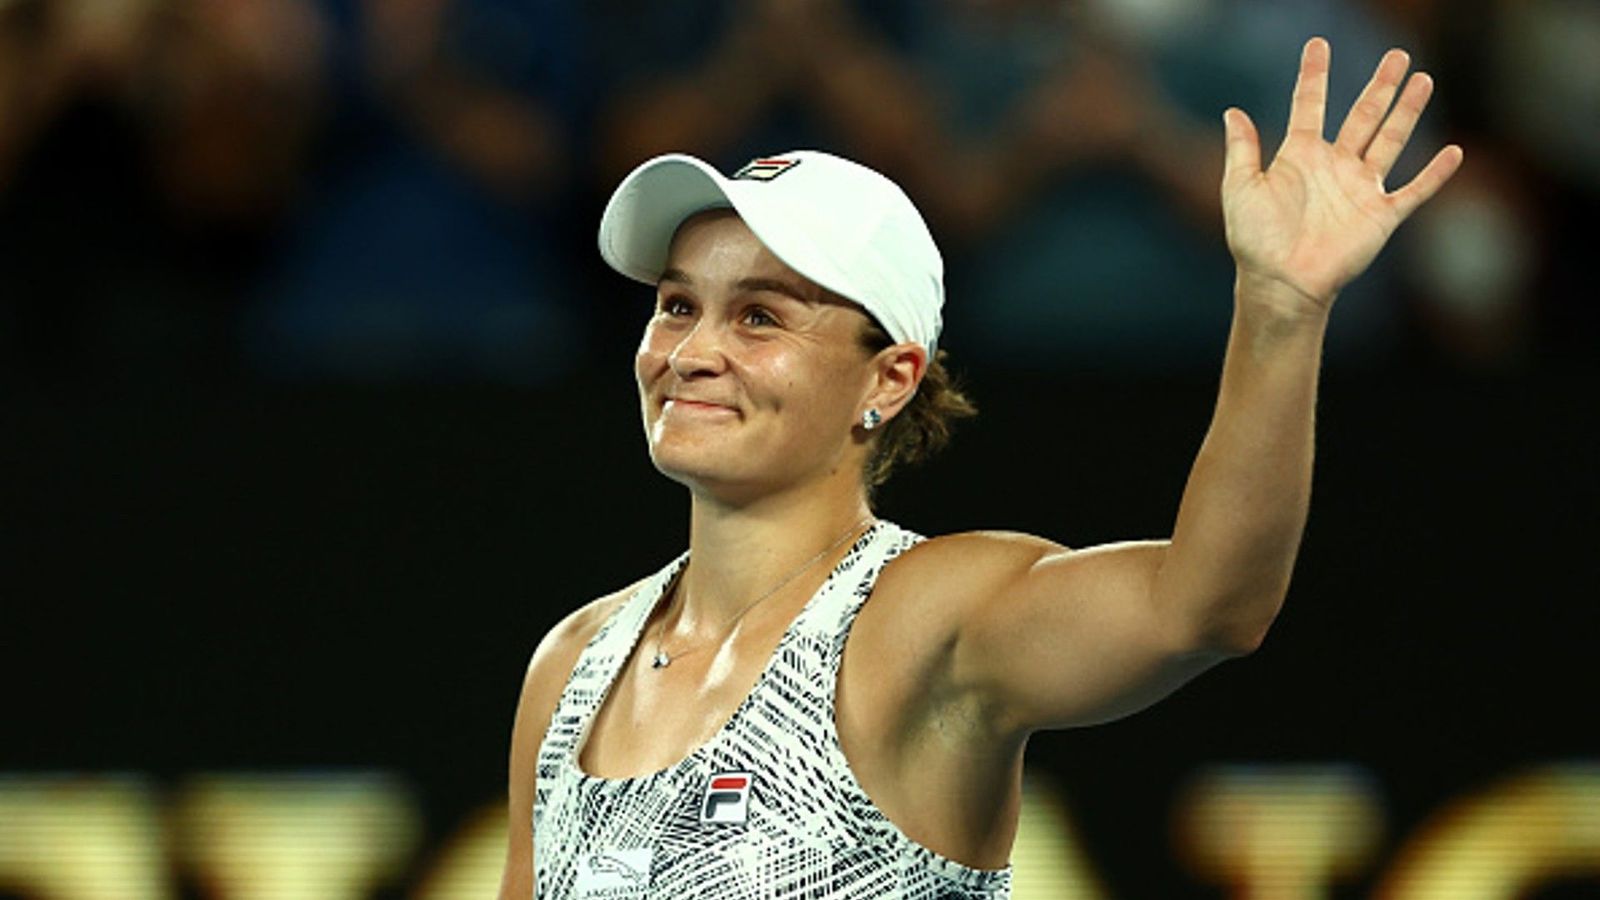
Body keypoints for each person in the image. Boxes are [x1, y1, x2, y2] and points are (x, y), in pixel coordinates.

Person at [497, 37, 1462, 899]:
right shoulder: (573, 662)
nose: (693, 350)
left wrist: (1281, 306)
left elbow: (1208, 604)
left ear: (891, 377)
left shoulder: (926, 621)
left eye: (759, 316)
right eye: (676, 305)